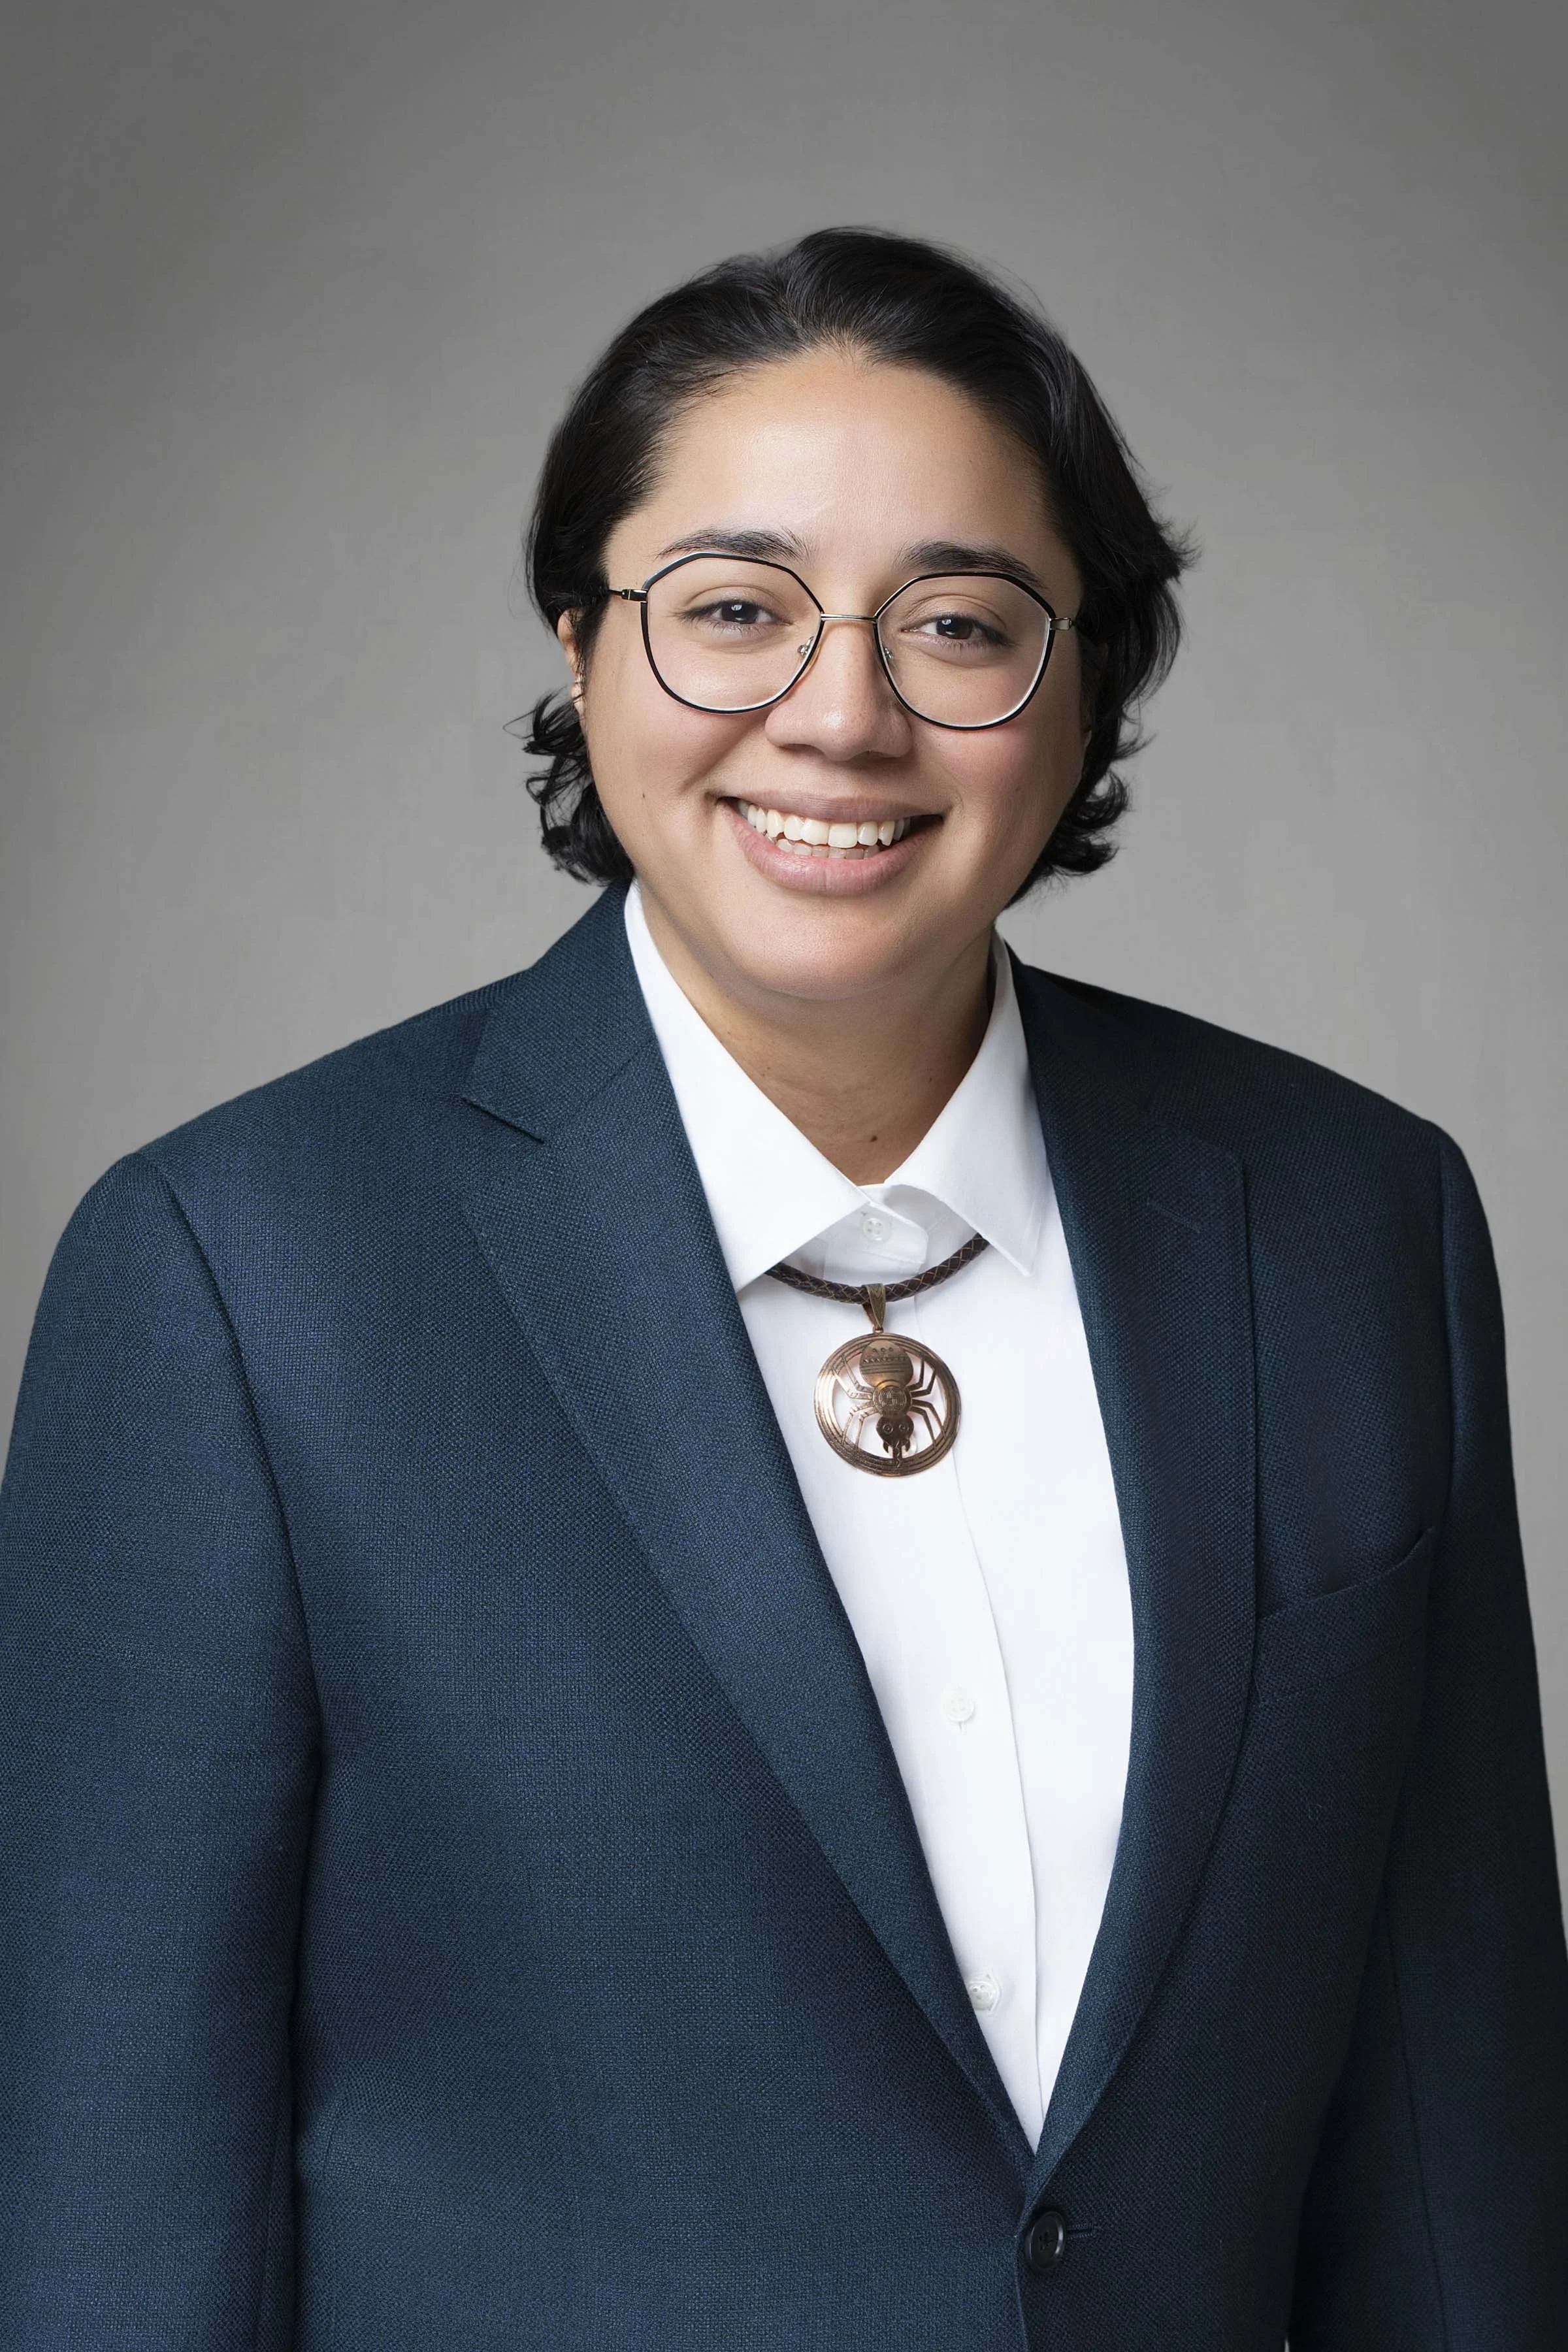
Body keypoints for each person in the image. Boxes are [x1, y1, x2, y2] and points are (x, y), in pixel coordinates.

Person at [1, 227, 1564, 2352]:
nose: (840, 714)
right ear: (582, 648)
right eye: (732, 610)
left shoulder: (1357, 1220)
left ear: (1087, 677)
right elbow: (111, 2223)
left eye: (959, 622)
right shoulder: (238, 1278)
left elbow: (1457, 2170)